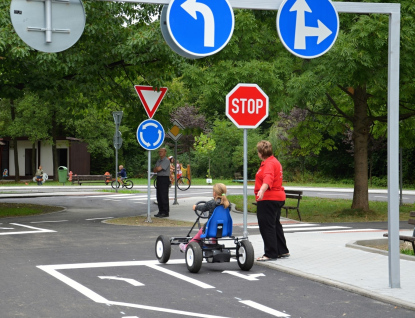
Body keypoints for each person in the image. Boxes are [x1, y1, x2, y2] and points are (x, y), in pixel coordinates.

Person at [254, 140, 289, 261]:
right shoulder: (275, 161)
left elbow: (268, 179)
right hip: (278, 197)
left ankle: (270, 253)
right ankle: (282, 250)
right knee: (275, 224)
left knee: (266, 225)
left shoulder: (268, 164)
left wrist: (262, 190)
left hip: (268, 198)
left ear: (260, 153)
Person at [179, 183, 229, 252]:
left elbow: (203, 208)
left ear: (214, 193)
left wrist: (195, 207)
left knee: (201, 232)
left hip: (210, 229)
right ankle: (213, 241)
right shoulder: (228, 204)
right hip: (224, 229)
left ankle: (187, 246)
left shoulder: (211, 203)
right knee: (217, 224)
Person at [153, 148, 171, 218]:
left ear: (165, 152)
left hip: (164, 179)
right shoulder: (158, 160)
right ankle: (160, 211)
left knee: (164, 196)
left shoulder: (166, 161)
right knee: (159, 196)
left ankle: (165, 212)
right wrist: (157, 168)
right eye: (159, 151)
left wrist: (157, 168)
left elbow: (159, 169)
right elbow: (155, 170)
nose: (160, 153)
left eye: (161, 151)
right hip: (159, 178)